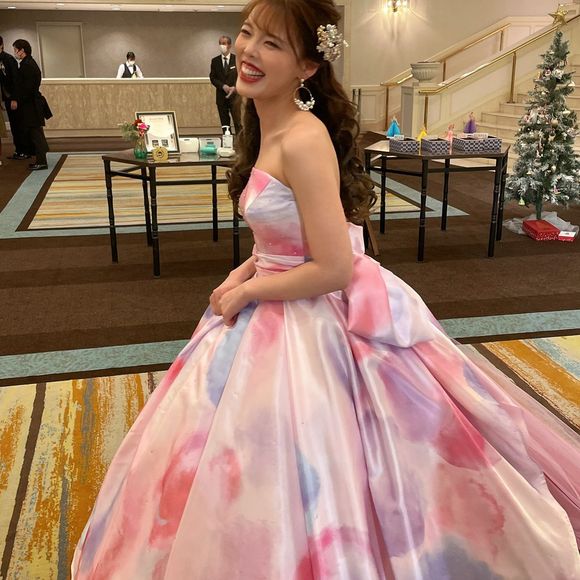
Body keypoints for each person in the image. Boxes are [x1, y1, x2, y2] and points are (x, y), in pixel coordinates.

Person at [72, 1, 580, 578]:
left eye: (272, 44)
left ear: (307, 67)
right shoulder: (264, 123)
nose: (249, 50)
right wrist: (243, 272)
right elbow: (285, 236)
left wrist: (249, 294)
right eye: (247, 33)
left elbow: (334, 266)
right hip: (277, 292)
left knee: (316, 447)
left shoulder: (302, 138)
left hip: (311, 314)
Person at [11, 39, 50, 171]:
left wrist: (17, 100)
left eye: (15, 50)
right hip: (32, 102)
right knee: (36, 131)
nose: (15, 53)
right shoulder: (29, 63)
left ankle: (41, 161)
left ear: (22, 50)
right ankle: (41, 157)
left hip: (31, 104)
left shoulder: (27, 65)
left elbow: (26, 88)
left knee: (35, 133)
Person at [0, 35, 29, 161]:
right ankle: (19, 150)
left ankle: (23, 150)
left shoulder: (8, 59)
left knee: (18, 124)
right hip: (5, 97)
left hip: (13, 97)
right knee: (13, 125)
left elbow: (16, 80)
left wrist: (14, 98)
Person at [209, 35, 241, 135]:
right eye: (220, 43)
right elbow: (212, 78)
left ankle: (240, 142)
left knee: (238, 123)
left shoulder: (237, 60)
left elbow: (241, 76)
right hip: (221, 97)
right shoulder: (215, 61)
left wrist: (235, 87)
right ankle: (228, 142)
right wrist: (223, 86)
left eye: (223, 43)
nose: (221, 46)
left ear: (229, 45)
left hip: (235, 97)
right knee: (225, 124)